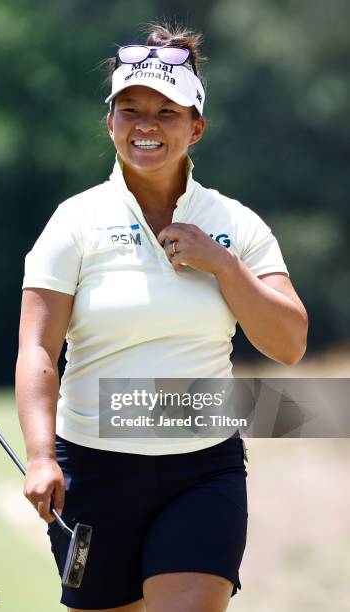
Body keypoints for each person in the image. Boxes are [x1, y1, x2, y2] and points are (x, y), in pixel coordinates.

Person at [15, 22, 308, 612]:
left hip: (204, 469)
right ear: (110, 123)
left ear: (195, 127)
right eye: (130, 110)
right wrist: (42, 456)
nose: (146, 125)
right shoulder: (75, 222)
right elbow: (38, 349)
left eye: (166, 112)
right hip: (92, 472)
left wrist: (223, 265)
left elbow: (290, 342)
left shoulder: (236, 224)